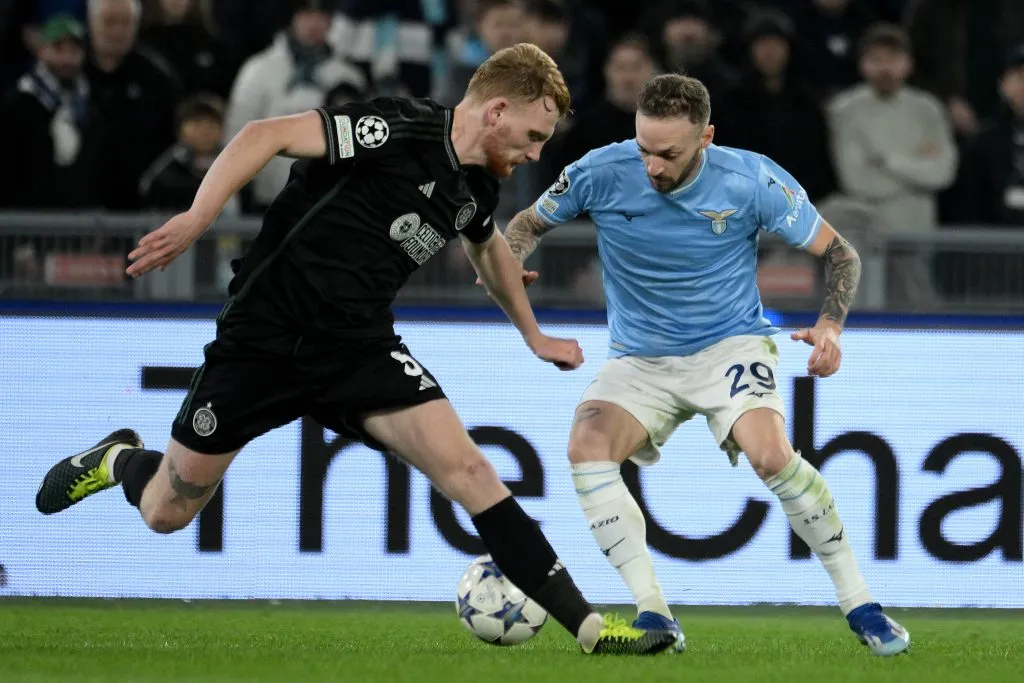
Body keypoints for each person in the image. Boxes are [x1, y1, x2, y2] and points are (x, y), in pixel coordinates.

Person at [33, 43, 676, 657]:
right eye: (534, 136)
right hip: (263, 340)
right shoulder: (398, 126)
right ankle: (118, 459)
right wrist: (198, 218)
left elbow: (489, 251)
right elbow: (266, 134)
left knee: (474, 474)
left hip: (358, 351)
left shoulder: (475, 190)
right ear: (497, 111)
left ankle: (592, 631)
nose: (535, 153)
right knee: (166, 513)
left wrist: (533, 334)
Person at [501, 73, 911, 656]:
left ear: (706, 138)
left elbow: (840, 252)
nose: (652, 167)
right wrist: (513, 260)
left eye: (667, 154)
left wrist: (830, 326)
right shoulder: (599, 170)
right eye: (643, 149)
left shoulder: (751, 178)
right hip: (638, 357)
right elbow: (524, 225)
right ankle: (654, 615)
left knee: (771, 455)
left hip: (729, 347)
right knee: (585, 447)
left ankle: (861, 605)